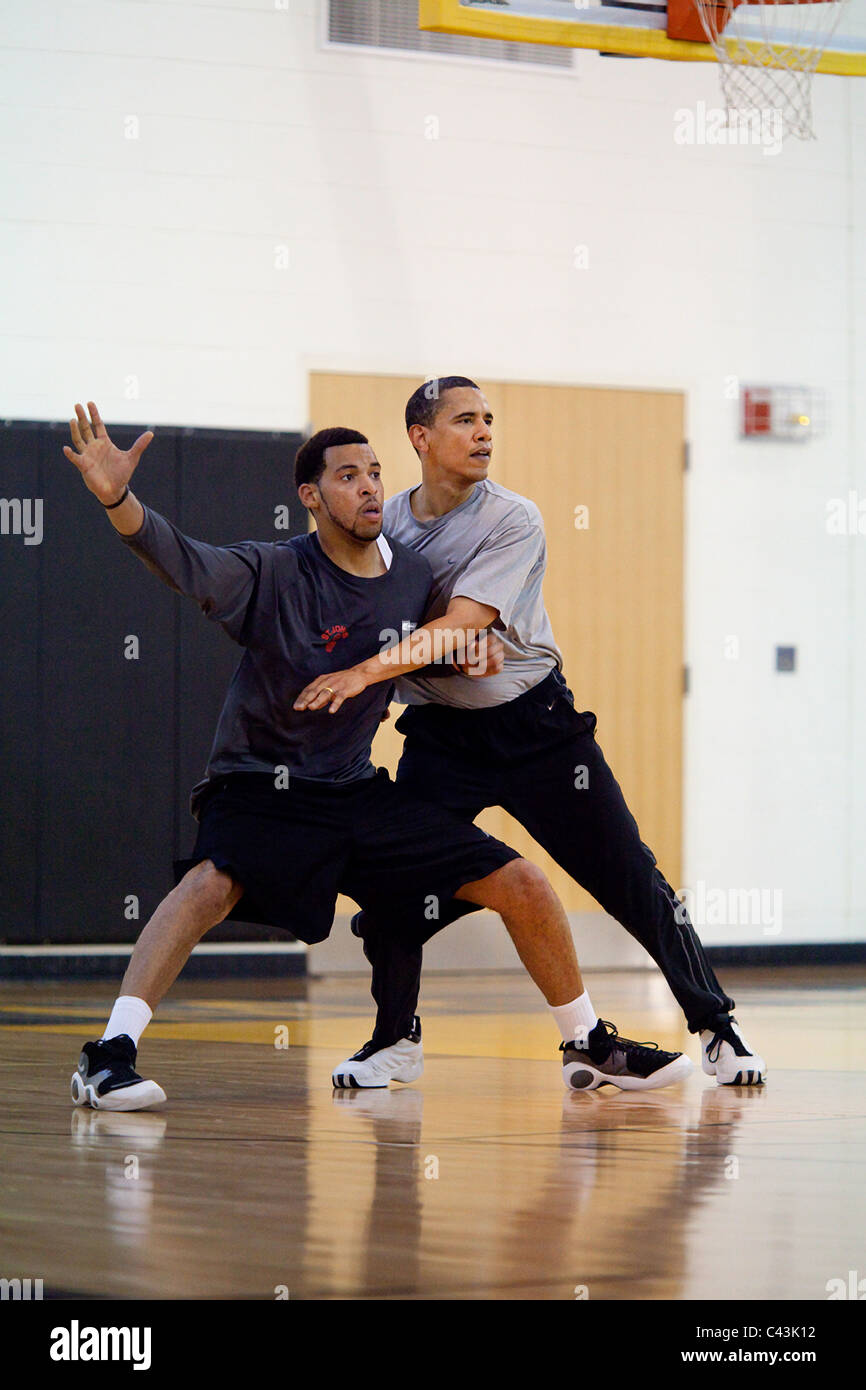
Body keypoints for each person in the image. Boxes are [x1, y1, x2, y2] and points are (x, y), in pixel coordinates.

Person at [62, 402, 689, 1111]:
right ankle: (110, 1054)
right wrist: (118, 497)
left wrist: (473, 654)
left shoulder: (413, 577)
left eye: (375, 473)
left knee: (524, 884)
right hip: (262, 785)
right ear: (310, 496)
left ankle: (586, 1042)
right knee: (211, 885)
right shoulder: (271, 572)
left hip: (353, 789)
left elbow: (443, 643)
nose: (368, 488)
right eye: (348, 476)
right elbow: (178, 558)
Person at [306, 378, 767, 1090]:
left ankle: (716, 1026)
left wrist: (377, 670)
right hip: (441, 739)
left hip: (538, 732)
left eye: (489, 420)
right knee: (394, 889)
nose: (485, 432)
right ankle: (394, 1040)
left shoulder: (514, 518)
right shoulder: (386, 526)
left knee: (630, 877)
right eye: (465, 421)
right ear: (421, 439)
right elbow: (372, 617)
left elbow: (464, 621)